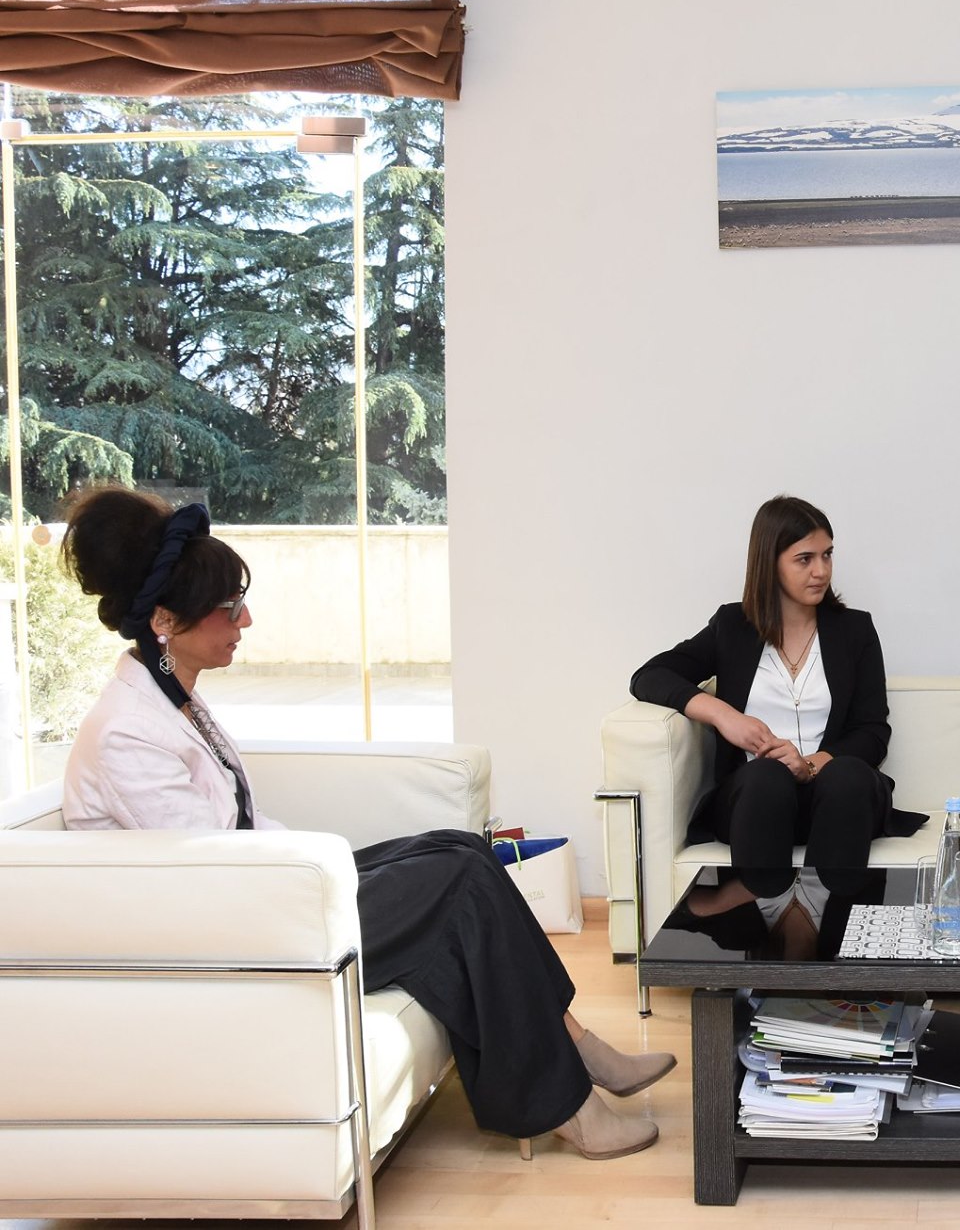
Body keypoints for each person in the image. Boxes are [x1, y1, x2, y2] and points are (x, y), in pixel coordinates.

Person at [59, 487, 674, 1161]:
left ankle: (578, 1046)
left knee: (461, 848)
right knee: (460, 883)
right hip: (247, 932)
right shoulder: (127, 733)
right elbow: (216, 876)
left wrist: (324, 861)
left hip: (268, 896)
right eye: (228, 608)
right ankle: (571, 1108)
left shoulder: (170, 699)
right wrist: (322, 874)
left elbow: (235, 831)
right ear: (164, 621)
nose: (246, 619)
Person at [630, 495, 921, 920]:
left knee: (849, 776)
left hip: (839, 803)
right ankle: (779, 922)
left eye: (827, 555)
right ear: (770, 563)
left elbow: (873, 733)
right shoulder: (733, 627)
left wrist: (811, 765)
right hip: (758, 804)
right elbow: (649, 675)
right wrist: (724, 716)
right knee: (766, 775)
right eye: (804, 559)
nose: (821, 570)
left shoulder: (854, 630)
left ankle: (822, 927)